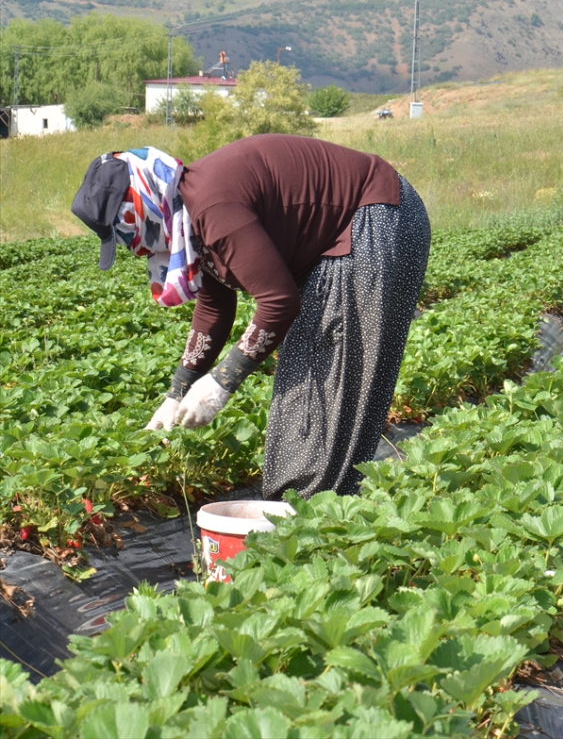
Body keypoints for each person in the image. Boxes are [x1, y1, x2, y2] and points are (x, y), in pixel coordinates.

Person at [70, 134, 431, 500]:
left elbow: (278, 302)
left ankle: (322, 512)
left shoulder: (211, 204)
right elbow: (215, 307)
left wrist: (221, 383)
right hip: (346, 230)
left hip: (376, 215)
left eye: (125, 228)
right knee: (305, 377)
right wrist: (177, 392)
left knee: (334, 376)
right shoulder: (185, 216)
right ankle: (302, 508)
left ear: (140, 203)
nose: (131, 245)